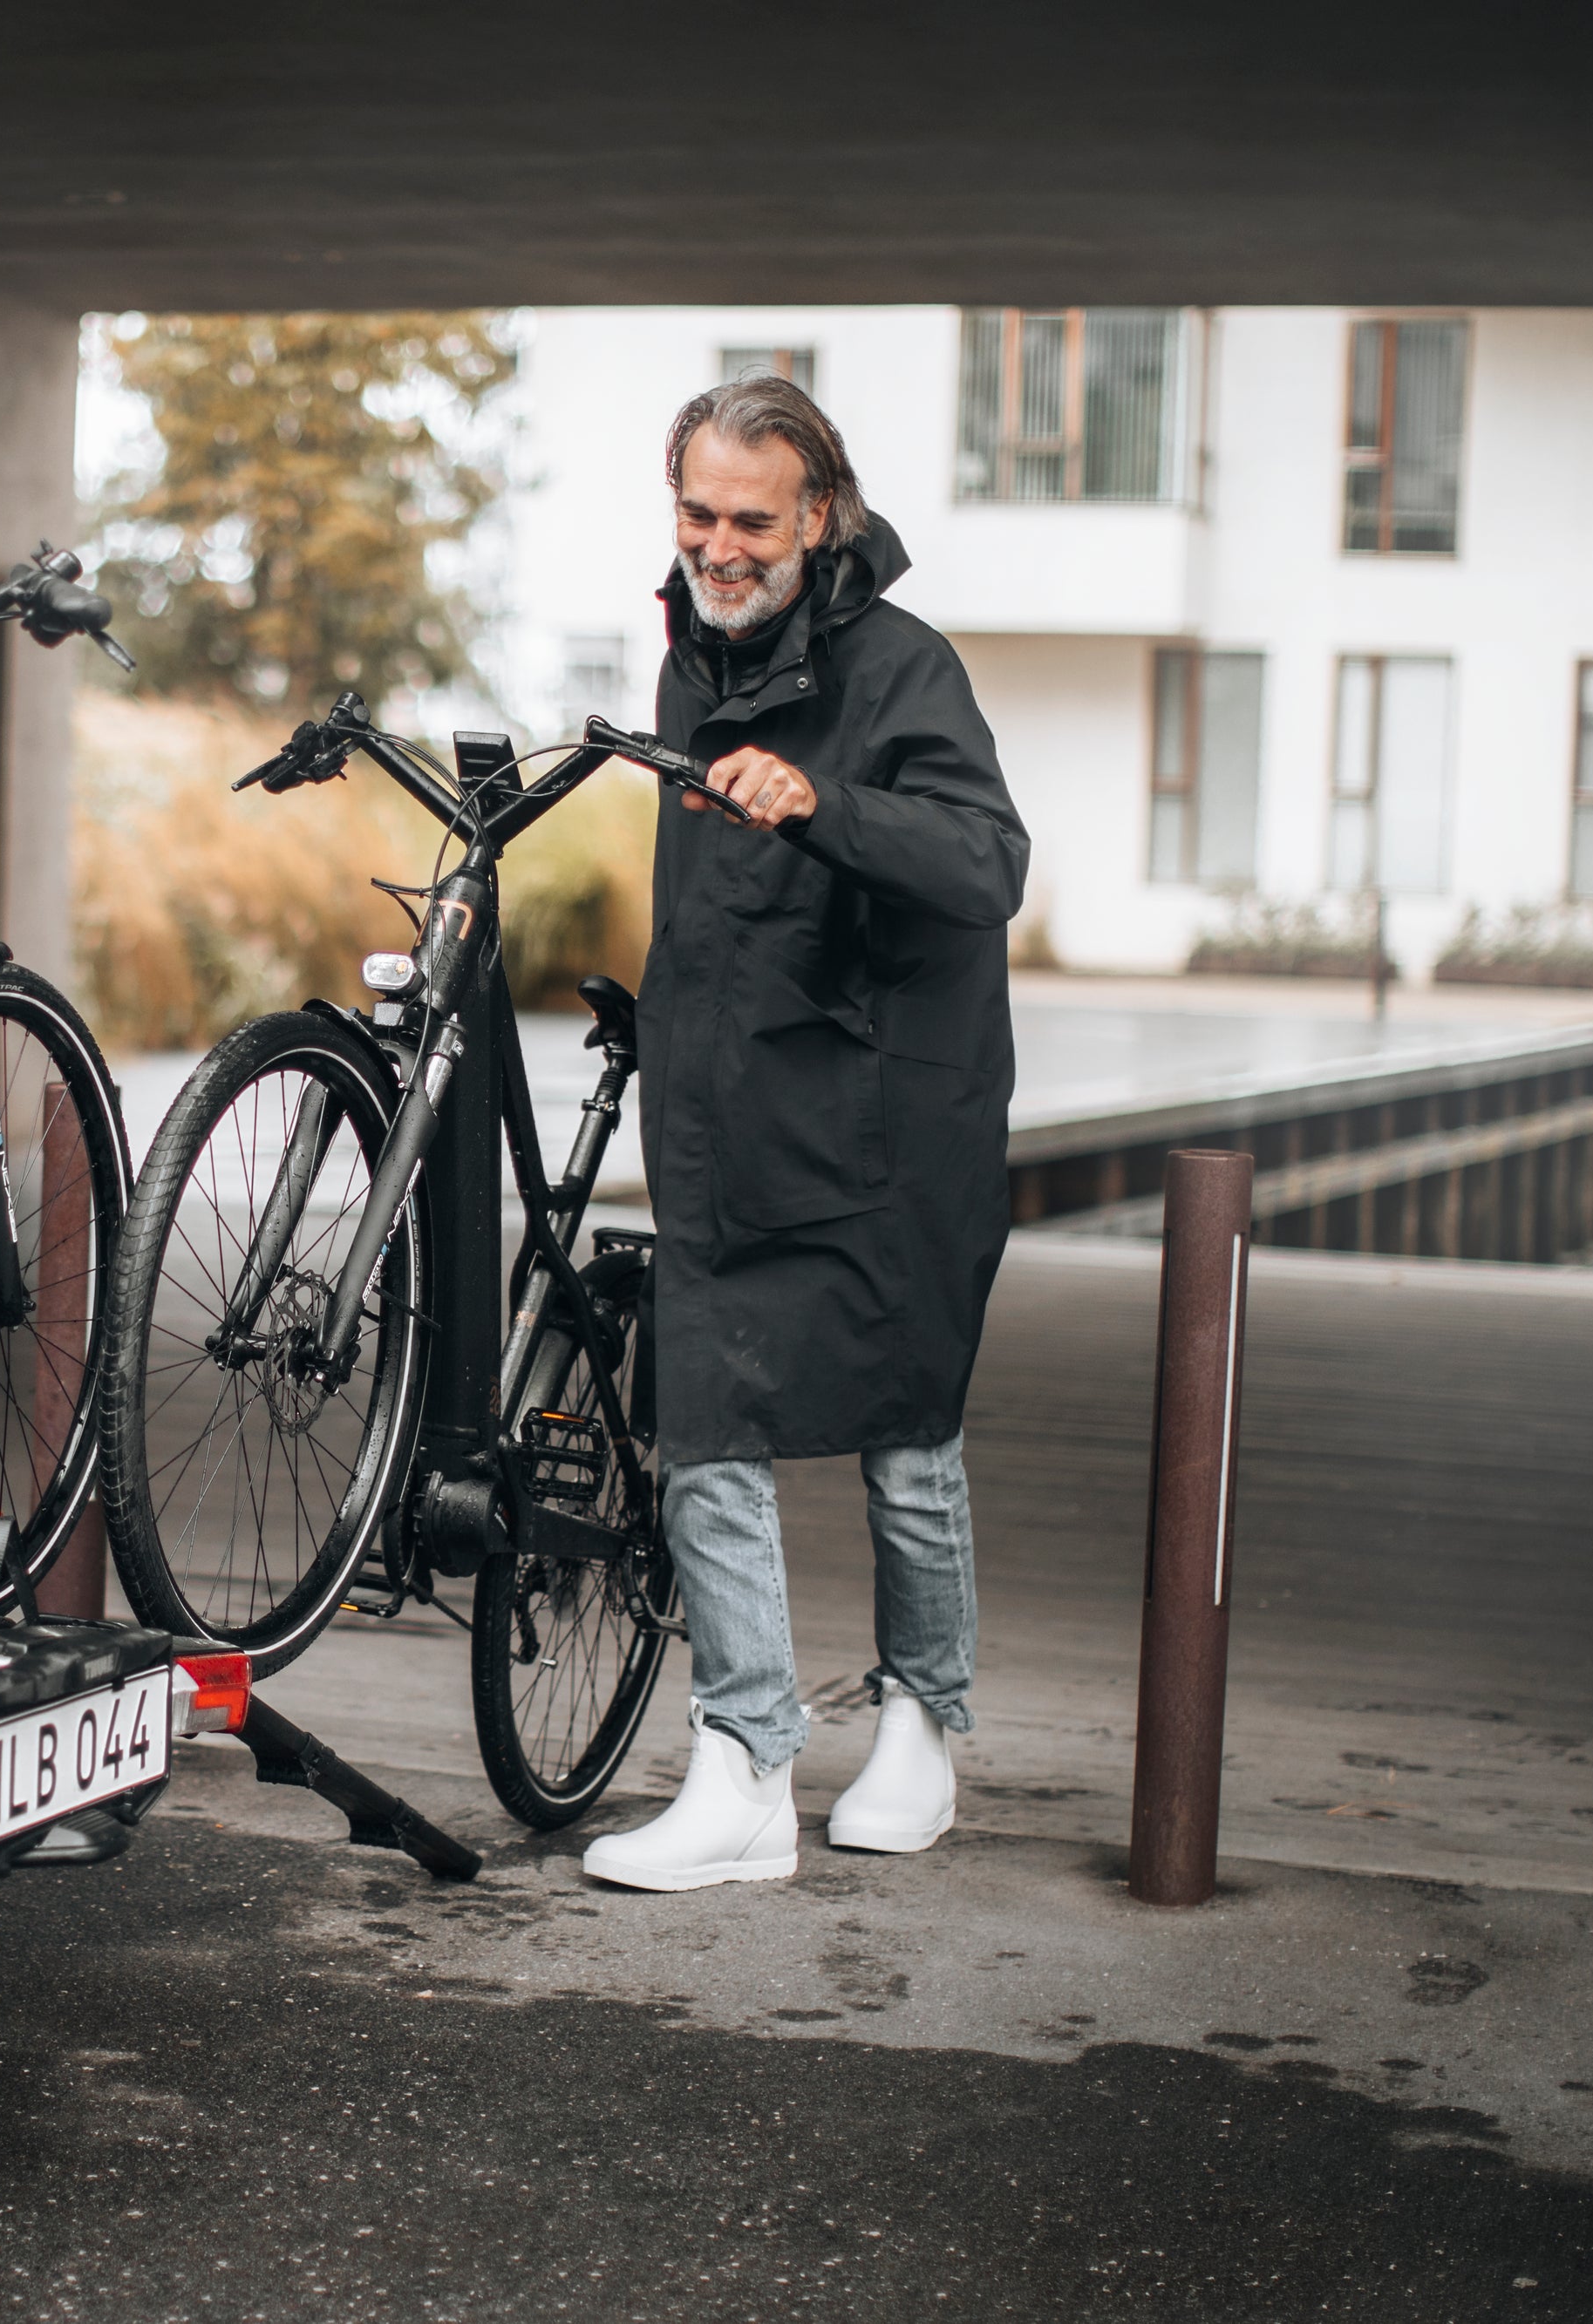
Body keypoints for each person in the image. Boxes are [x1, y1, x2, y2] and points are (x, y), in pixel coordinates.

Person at [582, 374, 1028, 1892]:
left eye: (749, 518)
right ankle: (745, 1765)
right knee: (702, 1413)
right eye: (696, 513)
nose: (717, 544)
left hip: (895, 1115)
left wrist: (822, 798)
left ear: (818, 514)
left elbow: (986, 863)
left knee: (906, 1433)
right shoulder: (685, 668)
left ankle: (926, 1721)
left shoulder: (907, 669)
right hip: (733, 1102)